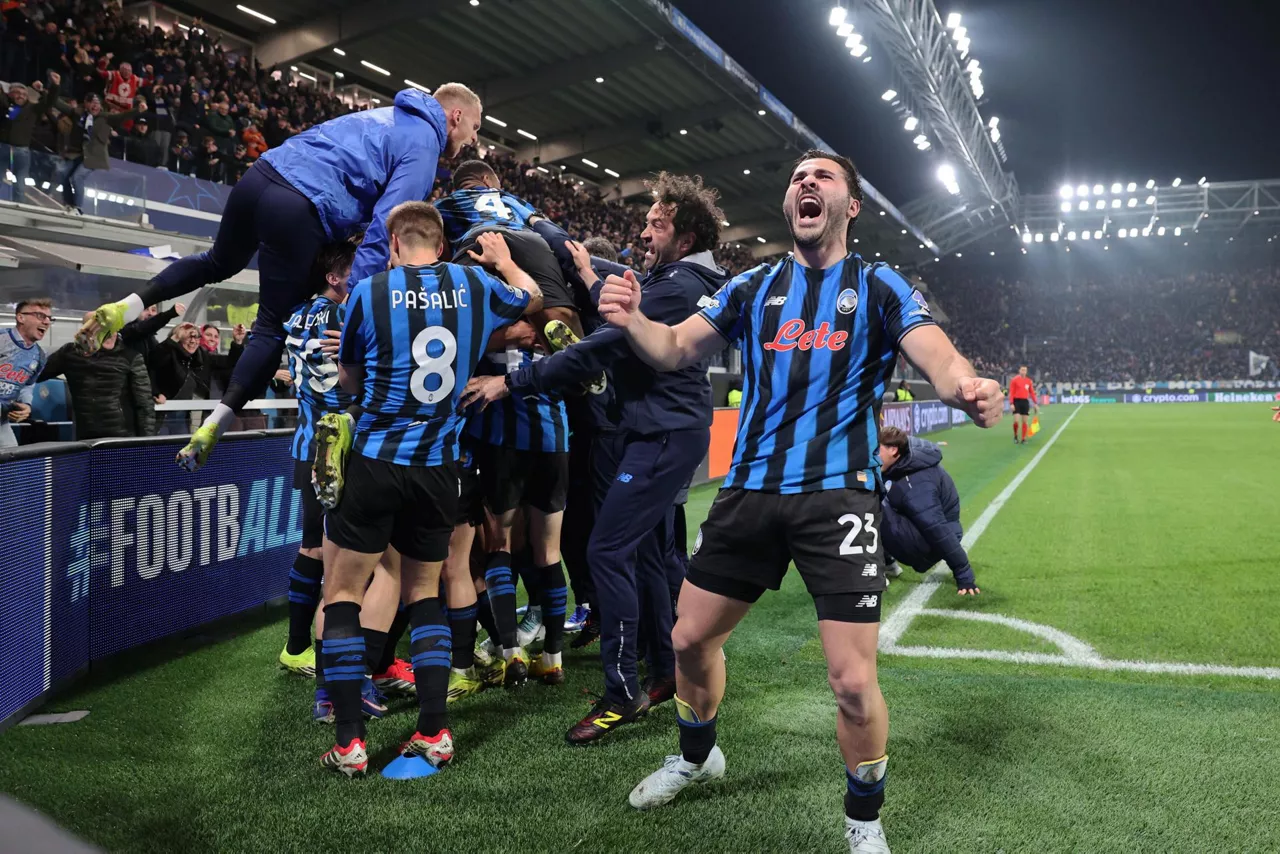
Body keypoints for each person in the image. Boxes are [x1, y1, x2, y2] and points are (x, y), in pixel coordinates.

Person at [597, 149, 1003, 852]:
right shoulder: (753, 286)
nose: (805, 184)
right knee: (689, 640)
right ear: (789, 206)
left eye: (823, 177)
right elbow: (670, 349)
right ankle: (697, 756)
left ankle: (864, 821)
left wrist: (964, 386)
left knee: (850, 681)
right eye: (796, 179)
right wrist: (633, 319)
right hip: (750, 491)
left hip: (838, 499)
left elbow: (935, 354)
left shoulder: (879, 286)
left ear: (851, 205)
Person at [74, 83, 483, 474]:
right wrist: (357, 307)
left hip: (261, 175)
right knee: (271, 326)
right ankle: (215, 422)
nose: (473, 141)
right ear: (456, 115)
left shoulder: (384, 115)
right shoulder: (426, 145)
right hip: (300, 206)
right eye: (475, 129)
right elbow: (386, 228)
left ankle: (124, 306)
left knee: (217, 260)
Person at [461, 171, 730, 743]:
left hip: (658, 437)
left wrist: (513, 383)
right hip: (662, 432)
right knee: (653, 556)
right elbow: (605, 281)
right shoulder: (688, 277)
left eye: (657, 223)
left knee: (607, 550)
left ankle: (620, 691)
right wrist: (555, 241)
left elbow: (602, 346)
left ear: (684, 236)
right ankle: (663, 672)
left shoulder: (679, 284)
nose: (645, 230)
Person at [316, 203, 543, 778]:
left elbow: (348, 380)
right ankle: (434, 731)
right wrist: (505, 260)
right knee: (425, 593)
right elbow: (531, 297)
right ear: (441, 246)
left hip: (375, 460)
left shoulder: (369, 292)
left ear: (393, 244)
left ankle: (350, 743)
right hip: (441, 465)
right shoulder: (472, 282)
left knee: (342, 592)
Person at [876, 426, 978, 595]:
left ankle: (874, 571)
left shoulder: (915, 484)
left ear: (893, 450)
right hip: (927, 532)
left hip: (926, 546)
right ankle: (888, 563)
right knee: (875, 495)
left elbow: (937, 529)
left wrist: (964, 573)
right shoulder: (904, 461)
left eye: (876, 450)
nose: (871, 456)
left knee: (867, 504)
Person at [38, 312, 155, 439]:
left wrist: (146, 442)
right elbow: (36, 374)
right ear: (86, 331)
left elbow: (144, 405)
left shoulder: (130, 357)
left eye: (112, 328)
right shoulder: (70, 353)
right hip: (86, 437)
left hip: (123, 436)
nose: (109, 333)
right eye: (100, 329)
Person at [51, 92, 146, 213]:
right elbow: (59, 104)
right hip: (77, 154)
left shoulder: (106, 117)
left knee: (77, 177)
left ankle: (78, 209)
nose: (94, 105)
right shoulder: (77, 113)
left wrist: (138, 109)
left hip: (94, 156)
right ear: (85, 104)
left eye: (97, 103)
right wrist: (49, 89)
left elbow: (123, 116)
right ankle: (69, 204)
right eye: (91, 102)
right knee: (62, 174)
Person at [0, 298, 52, 449]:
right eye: (40, 316)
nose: (47, 322)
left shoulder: (40, 356)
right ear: (20, 317)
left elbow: (27, 385)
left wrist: (26, 405)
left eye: (49, 318)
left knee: (12, 466)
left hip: (2, 421)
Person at [1, 72, 59, 202]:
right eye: (17, 93)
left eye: (24, 94)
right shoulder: (4, 106)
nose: (21, 96)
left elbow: (49, 102)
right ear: (10, 94)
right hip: (3, 148)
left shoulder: (33, 109)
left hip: (22, 151)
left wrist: (52, 86)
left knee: (20, 185)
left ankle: (19, 210)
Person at [1008, 365, 1038, 444]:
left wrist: (1035, 403)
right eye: (1022, 370)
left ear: (1026, 371)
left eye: (1025, 370)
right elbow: (1011, 392)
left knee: (1025, 422)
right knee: (1016, 421)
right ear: (1019, 371)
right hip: (1016, 401)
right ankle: (1015, 436)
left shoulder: (1029, 381)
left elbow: (1031, 392)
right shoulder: (1014, 380)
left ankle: (1023, 438)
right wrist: (1011, 403)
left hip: (1025, 401)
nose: (1023, 371)